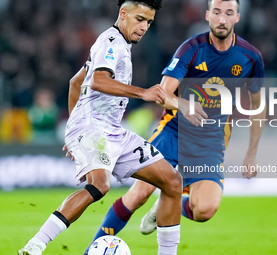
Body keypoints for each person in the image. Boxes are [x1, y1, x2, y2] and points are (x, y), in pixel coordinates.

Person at [83, 0, 265, 253]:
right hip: (173, 131)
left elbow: (258, 106)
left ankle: (165, 207)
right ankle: (91, 249)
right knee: (138, 195)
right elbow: (163, 91)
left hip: (210, 141)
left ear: (237, 17)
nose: (222, 19)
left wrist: (251, 152)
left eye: (228, 13)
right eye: (216, 12)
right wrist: (183, 105)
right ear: (207, 16)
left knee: (205, 210)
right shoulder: (190, 49)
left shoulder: (250, 58)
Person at [18, 1, 183, 255]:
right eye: (140, 19)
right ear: (123, 13)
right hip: (95, 128)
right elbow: (97, 80)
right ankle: (36, 245)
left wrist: (74, 129)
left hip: (111, 131)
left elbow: (76, 83)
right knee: (100, 185)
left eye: (149, 22)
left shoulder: (120, 46)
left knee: (172, 181)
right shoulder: (111, 42)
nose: (144, 27)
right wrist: (143, 93)